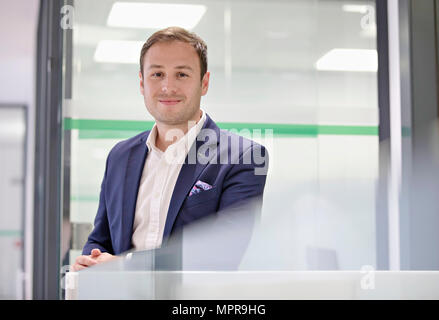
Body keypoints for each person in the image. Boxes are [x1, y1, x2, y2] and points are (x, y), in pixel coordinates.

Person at [71, 27, 268, 272]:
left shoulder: (243, 157)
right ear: (142, 83)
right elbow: (101, 238)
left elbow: (223, 254)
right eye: (157, 74)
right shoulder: (120, 156)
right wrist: (90, 260)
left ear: (204, 83)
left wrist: (124, 266)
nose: (168, 87)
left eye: (182, 75)